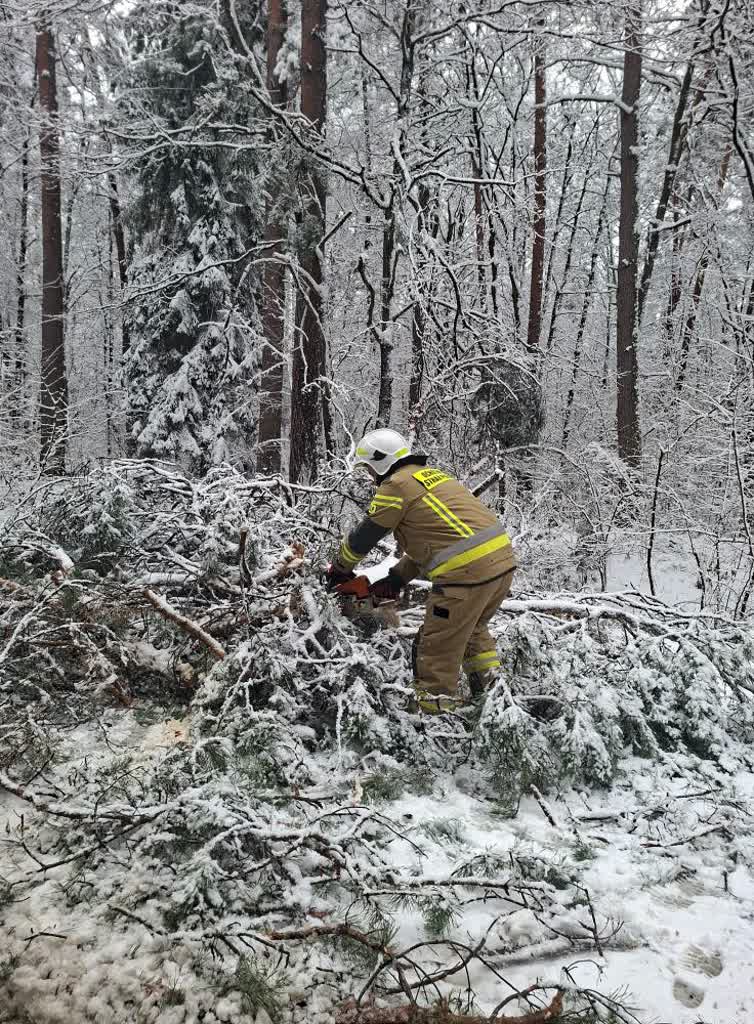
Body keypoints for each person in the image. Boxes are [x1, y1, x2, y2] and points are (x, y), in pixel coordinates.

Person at [327, 428, 516, 714]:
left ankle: (435, 718)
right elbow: (438, 543)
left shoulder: (395, 485)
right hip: (501, 566)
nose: (370, 476)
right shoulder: (432, 477)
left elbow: (365, 535)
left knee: (435, 649)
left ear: (379, 462)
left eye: (368, 469)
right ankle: (494, 706)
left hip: (465, 578)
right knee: (472, 631)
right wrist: (396, 578)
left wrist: (339, 570)